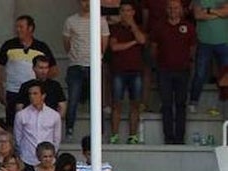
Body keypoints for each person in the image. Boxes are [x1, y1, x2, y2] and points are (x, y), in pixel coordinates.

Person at [0, 15, 58, 124]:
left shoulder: (41, 47)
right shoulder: (8, 45)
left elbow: (54, 69)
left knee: (34, 122)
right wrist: (0, 91)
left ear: (30, 28)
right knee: (12, 123)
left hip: (34, 93)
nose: (17, 30)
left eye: (21, 27)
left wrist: (41, 83)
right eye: (16, 27)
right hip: (13, 92)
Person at [63, 0, 109, 139]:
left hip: (94, 66)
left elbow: (104, 44)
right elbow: (67, 44)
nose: (87, 3)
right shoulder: (70, 21)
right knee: (73, 99)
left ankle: (100, 132)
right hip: (76, 65)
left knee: (98, 101)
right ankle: (69, 129)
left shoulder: (101, 21)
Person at [152, 0, 196, 145]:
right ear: (166, 10)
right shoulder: (159, 26)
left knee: (181, 104)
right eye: (170, 8)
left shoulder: (188, 27)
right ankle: (169, 138)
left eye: (176, 8)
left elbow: (192, 48)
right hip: (164, 71)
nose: (173, 11)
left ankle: (180, 138)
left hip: (182, 71)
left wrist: (187, 62)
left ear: (181, 9)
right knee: (166, 104)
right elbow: (154, 48)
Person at [108, 1, 147, 143]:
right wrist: (132, 43)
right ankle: (114, 135)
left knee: (135, 104)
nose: (126, 13)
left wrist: (133, 26)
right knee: (116, 104)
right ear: (120, 13)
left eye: (128, 10)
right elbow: (114, 47)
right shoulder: (115, 28)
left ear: (133, 12)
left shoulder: (139, 27)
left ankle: (133, 136)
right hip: (118, 71)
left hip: (136, 71)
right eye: (123, 10)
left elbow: (142, 40)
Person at [13, 82, 62, 166]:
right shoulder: (21, 115)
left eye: (35, 93)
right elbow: (18, 139)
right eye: (30, 94)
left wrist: (49, 156)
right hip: (27, 159)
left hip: (48, 161)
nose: (32, 96)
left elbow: (56, 139)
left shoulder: (54, 115)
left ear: (43, 96)